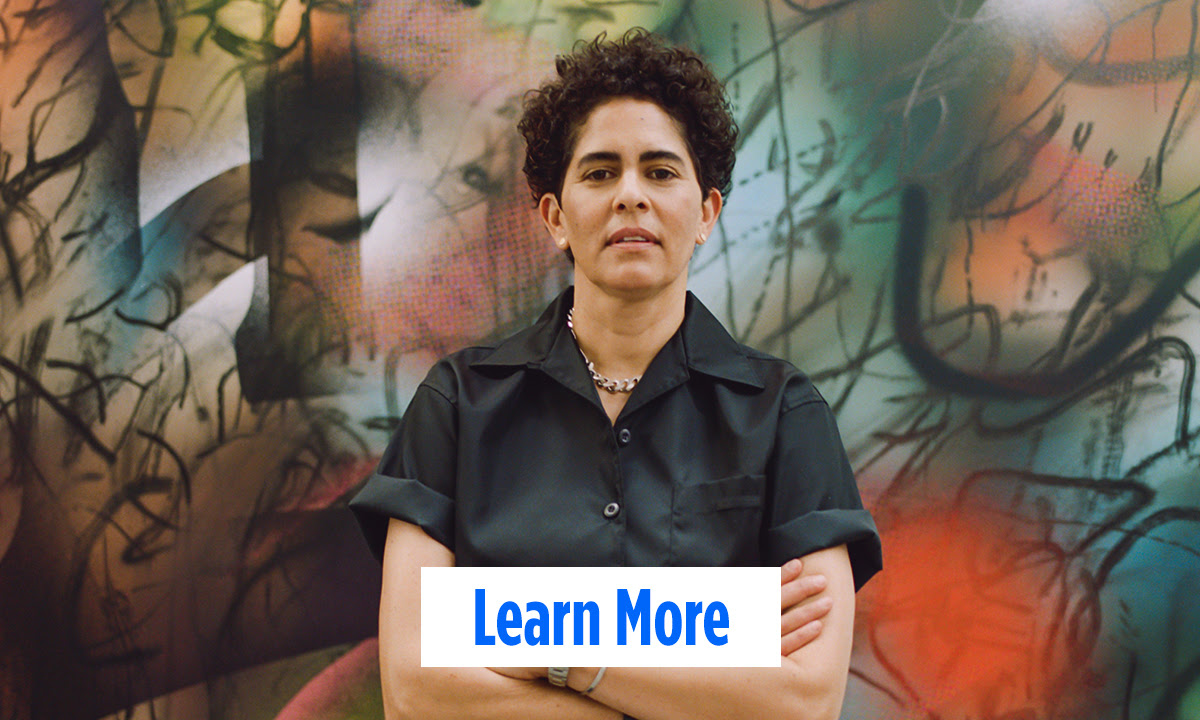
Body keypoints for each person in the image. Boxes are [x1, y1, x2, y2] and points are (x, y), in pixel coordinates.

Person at [350, 29, 882, 720]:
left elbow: (805, 701)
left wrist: (562, 658)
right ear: (555, 217)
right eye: (600, 172)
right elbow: (417, 694)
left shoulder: (784, 413)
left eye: (660, 171)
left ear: (706, 212)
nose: (631, 194)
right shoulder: (457, 404)